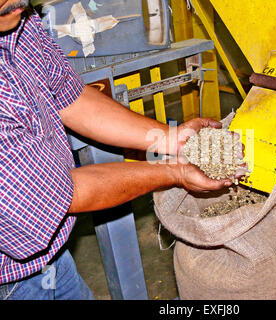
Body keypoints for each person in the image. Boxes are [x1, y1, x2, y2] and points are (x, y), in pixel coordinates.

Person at [0, 1, 243, 300]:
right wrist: (176, 172)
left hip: (49, 258)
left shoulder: (16, 17)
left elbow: (68, 96)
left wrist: (170, 138)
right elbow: (52, 197)